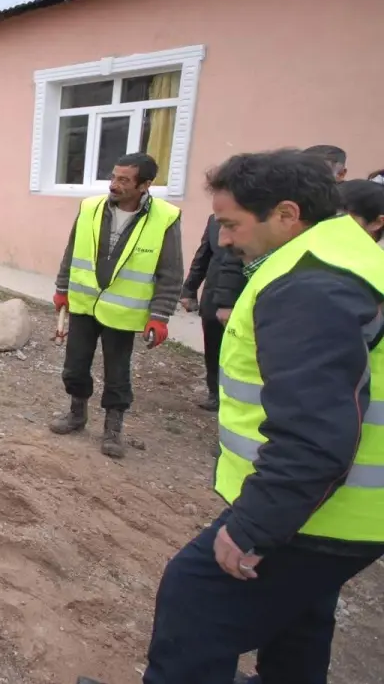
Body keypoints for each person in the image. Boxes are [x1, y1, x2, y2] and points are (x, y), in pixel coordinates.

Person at [137, 149, 384, 684]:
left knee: (195, 597)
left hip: (321, 514)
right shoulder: (342, 255)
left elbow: (316, 434)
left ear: (287, 214)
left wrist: (254, 527)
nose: (223, 240)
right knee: (299, 616)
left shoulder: (312, 285)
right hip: (346, 509)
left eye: (231, 224)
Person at [49, 152, 184, 458]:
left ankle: (113, 429)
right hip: (84, 304)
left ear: (145, 185)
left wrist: (160, 315)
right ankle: (76, 414)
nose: (115, 184)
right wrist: (61, 289)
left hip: (123, 312)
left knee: (117, 372)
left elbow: (171, 271)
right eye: (113, 177)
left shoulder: (165, 218)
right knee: (74, 366)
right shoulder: (90, 207)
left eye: (124, 179)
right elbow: (71, 252)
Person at [180, 214, 246, 412]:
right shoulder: (213, 220)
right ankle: (214, 394)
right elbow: (203, 255)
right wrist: (189, 290)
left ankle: (237, 397)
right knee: (213, 347)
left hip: (242, 297)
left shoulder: (259, 218)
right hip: (213, 296)